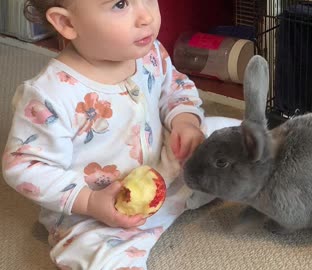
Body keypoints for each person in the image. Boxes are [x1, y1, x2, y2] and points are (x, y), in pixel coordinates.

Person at [2, 0, 240, 269]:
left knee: (232, 136)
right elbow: (25, 166)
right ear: (68, 23)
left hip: (171, 166)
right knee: (97, 258)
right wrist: (89, 201)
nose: (146, 17)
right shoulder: (50, 95)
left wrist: (185, 123)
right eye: (120, 4)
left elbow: (176, 89)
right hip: (100, 214)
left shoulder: (150, 53)